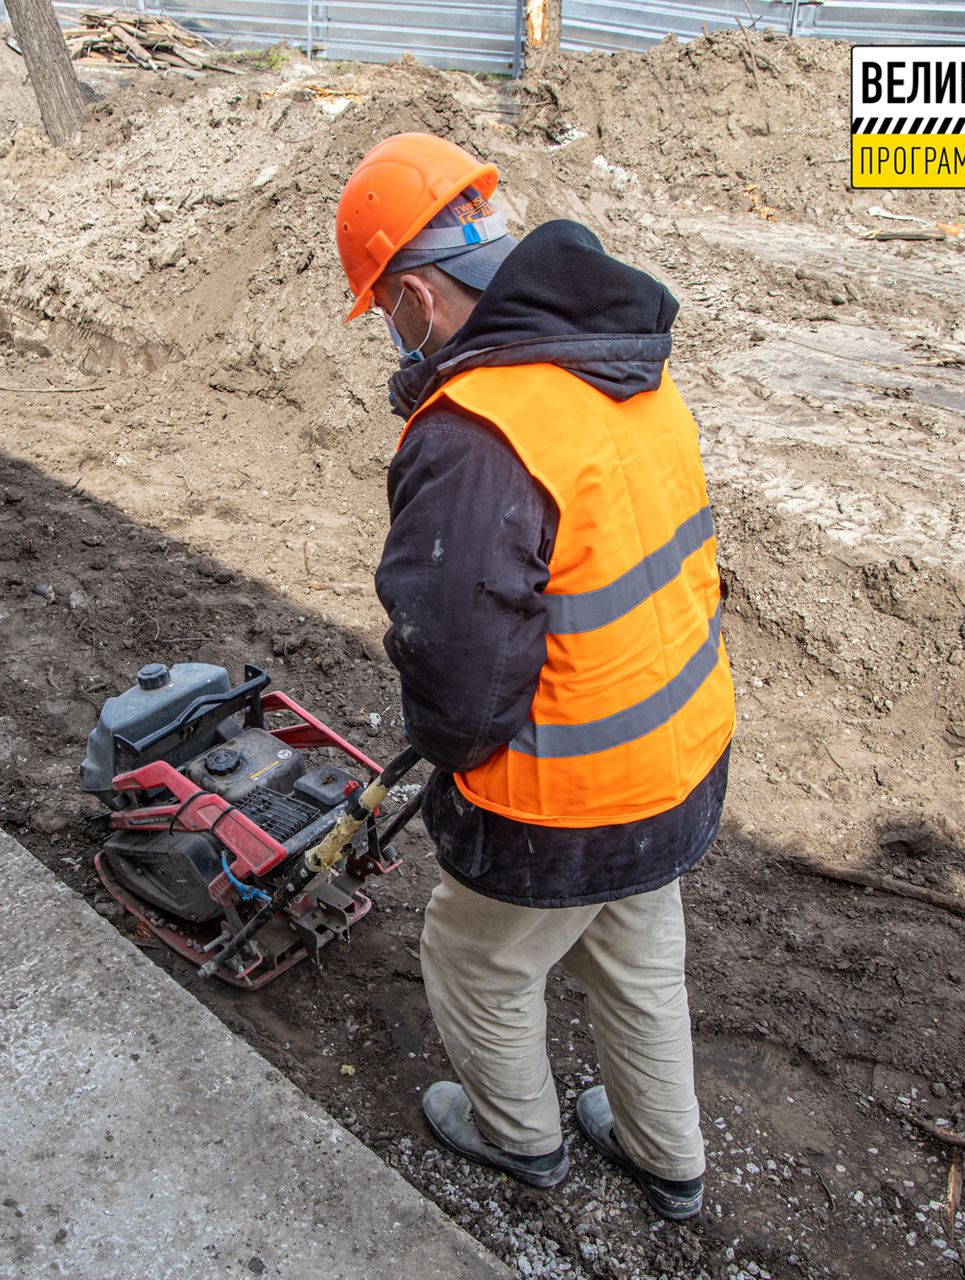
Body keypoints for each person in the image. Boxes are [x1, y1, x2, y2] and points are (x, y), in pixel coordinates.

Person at [332, 133, 736, 1221]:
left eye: (386, 310)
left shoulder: (478, 434)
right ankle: (667, 1155)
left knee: (477, 960)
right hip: (676, 749)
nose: (393, 330)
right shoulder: (623, 364)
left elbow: (460, 674)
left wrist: (451, 756)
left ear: (417, 295)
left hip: (565, 797)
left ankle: (520, 1139)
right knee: (637, 950)